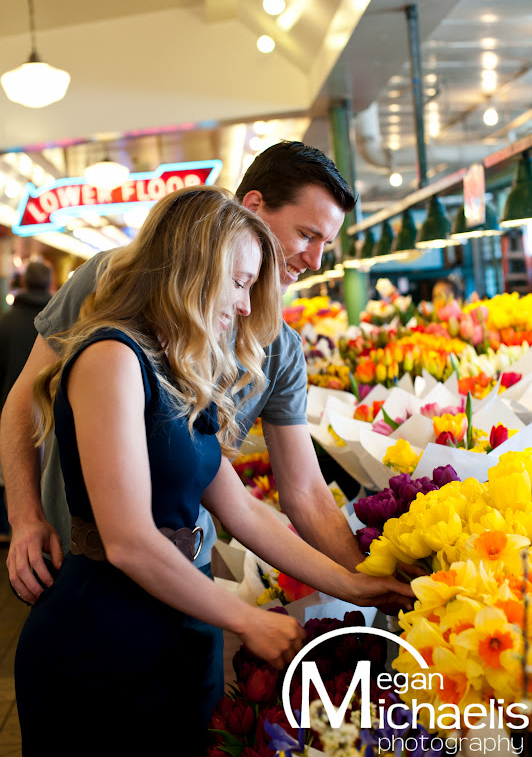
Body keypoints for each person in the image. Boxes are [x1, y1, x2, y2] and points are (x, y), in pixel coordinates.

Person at [14, 186, 413, 756]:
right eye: (240, 282)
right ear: (192, 268)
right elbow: (128, 541)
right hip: (102, 634)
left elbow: (242, 508)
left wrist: (355, 584)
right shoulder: (112, 358)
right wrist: (246, 620)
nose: (247, 306)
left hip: (178, 619)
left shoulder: (178, 367)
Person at [1, 141, 367, 604]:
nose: (316, 260)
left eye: (326, 244)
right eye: (307, 235)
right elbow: (25, 402)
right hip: (76, 562)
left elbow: (301, 492)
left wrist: (373, 582)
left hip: (186, 571)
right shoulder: (113, 284)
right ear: (254, 206)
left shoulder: (282, 350)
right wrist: (25, 517)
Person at [0, 261, 53, 545]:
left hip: (9, 411)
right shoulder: (62, 322)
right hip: (50, 415)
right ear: (49, 284)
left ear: (23, 283)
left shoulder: (6, 321)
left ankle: (7, 529)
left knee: (8, 474)